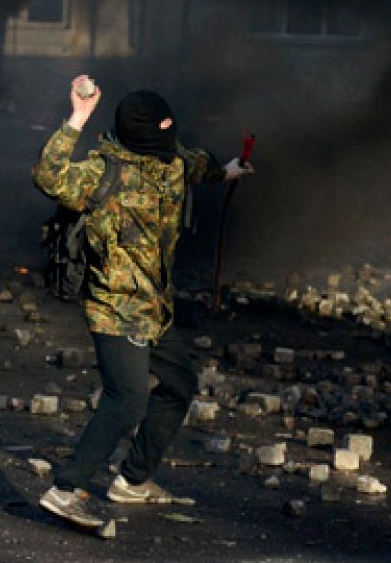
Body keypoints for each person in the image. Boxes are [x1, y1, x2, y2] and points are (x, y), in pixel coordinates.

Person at [31, 76, 251, 535]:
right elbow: (49, 177)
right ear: (145, 134)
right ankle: (65, 490)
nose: (173, 141)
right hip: (114, 305)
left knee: (178, 384)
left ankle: (132, 480)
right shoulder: (102, 171)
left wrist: (227, 170)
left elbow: (196, 164)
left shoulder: (169, 159)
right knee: (127, 399)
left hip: (153, 305)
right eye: (164, 132)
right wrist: (78, 117)